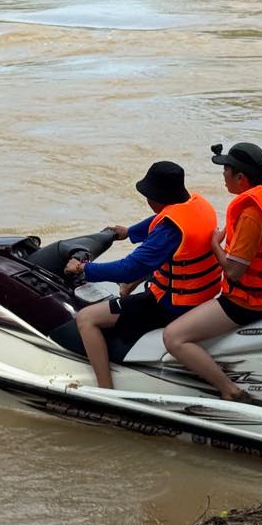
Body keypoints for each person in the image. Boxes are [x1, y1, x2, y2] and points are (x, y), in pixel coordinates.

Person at [64, 161, 221, 389]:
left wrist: (84, 269)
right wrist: (129, 232)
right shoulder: (197, 205)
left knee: (86, 319)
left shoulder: (169, 231)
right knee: (134, 284)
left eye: (148, 195)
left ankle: (105, 390)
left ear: (156, 197)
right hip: (200, 296)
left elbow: (129, 268)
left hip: (171, 305)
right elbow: (165, 218)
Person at [161, 143, 262, 401]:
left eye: (225, 171)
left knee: (174, 337)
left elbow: (233, 272)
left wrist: (215, 246)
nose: (222, 177)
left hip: (246, 303)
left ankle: (229, 390)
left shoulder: (251, 214)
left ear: (240, 178)